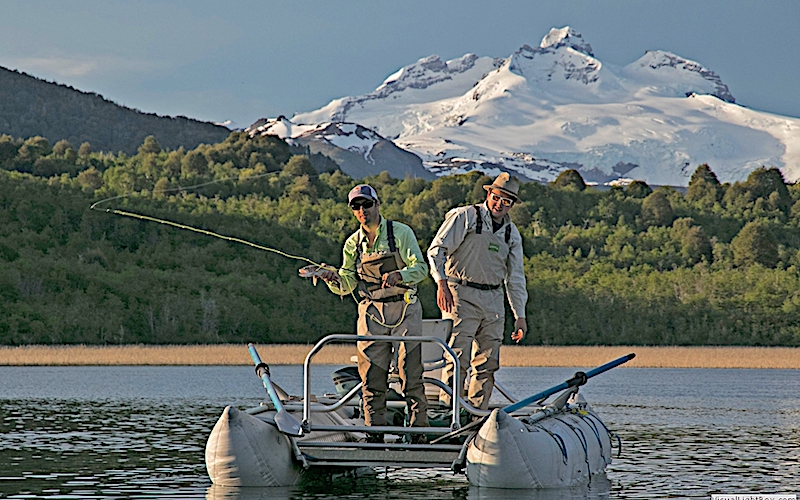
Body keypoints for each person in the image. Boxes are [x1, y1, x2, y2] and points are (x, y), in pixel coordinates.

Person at [314, 184, 430, 443]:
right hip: (370, 312)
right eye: (356, 206)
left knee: (410, 373)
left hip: (405, 307)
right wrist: (331, 278)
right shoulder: (352, 244)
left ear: (377, 205)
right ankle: (373, 434)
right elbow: (347, 284)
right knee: (371, 378)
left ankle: (419, 433)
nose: (362, 210)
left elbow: (421, 268)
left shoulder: (400, 233)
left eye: (366, 204)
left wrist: (401, 275)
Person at [427, 173, 528, 411]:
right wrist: (441, 283)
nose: (499, 204)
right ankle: (449, 412)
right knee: (456, 357)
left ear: (512, 204)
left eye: (506, 201)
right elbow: (436, 251)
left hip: (493, 300)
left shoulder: (511, 233)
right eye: (496, 197)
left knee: (488, 362)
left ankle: (476, 413)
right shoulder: (465, 216)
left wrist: (519, 315)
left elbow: (515, 277)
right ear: (488, 194)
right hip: (460, 293)